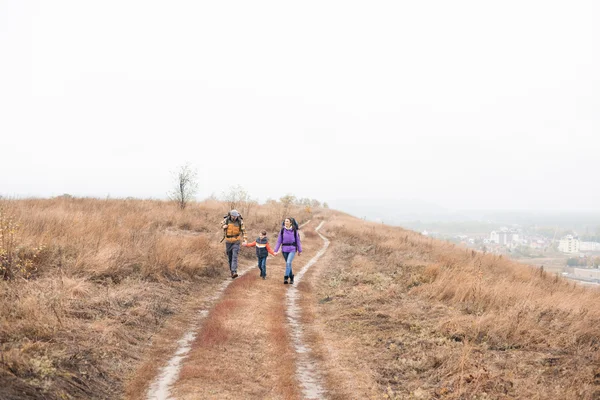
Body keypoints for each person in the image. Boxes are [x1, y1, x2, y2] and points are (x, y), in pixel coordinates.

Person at [274, 217, 302, 284]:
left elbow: (298, 241)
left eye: (287, 221)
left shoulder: (295, 231)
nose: (285, 222)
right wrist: (275, 250)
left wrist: (300, 250)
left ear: (290, 223)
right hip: (284, 249)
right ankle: (291, 277)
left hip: (292, 249)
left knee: (288, 263)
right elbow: (279, 241)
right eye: (285, 221)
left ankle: (286, 277)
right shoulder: (282, 230)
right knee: (288, 264)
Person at [221, 210, 247, 279]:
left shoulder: (240, 222)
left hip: (236, 241)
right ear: (230, 215)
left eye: (236, 216)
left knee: (234, 256)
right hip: (228, 241)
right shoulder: (226, 220)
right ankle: (232, 272)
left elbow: (244, 231)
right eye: (233, 216)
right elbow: (221, 224)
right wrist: (223, 226)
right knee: (230, 257)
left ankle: (234, 271)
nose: (235, 217)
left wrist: (245, 240)